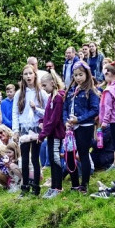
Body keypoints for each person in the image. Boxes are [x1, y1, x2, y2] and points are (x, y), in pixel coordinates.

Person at [63, 64, 101, 193]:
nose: (78, 78)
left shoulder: (91, 90)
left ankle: (84, 185)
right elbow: (65, 108)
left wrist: (79, 119)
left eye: (81, 75)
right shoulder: (70, 90)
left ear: (87, 75)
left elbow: (95, 110)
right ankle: (74, 184)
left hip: (85, 127)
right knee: (69, 155)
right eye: (76, 75)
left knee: (83, 154)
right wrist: (66, 121)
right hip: (70, 128)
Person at [12, 65, 45, 197]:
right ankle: (24, 187)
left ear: (34, 75)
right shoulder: (19, 94)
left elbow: (47, 112)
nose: (28, 76)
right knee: (24, 159)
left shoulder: (41, 93)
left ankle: (36, 187)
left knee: (35, 158)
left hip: (36, 128)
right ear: (23, 76)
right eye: (25, 74)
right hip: (23, 128)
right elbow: (15, 112)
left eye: (30, 73)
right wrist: (15, 130)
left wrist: (36, 108)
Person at [40, 70, 66, 198]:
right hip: (50, 134)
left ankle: (58, 187)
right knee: (51, 158)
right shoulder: (51, 97)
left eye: (44, 85)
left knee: (55, 159)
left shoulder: (59, 98)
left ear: (52, 82)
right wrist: (42, 125)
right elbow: (47, 116)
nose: (43, 89)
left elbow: (54, 119)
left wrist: (42, 134)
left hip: (56, 134)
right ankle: (53, 186)